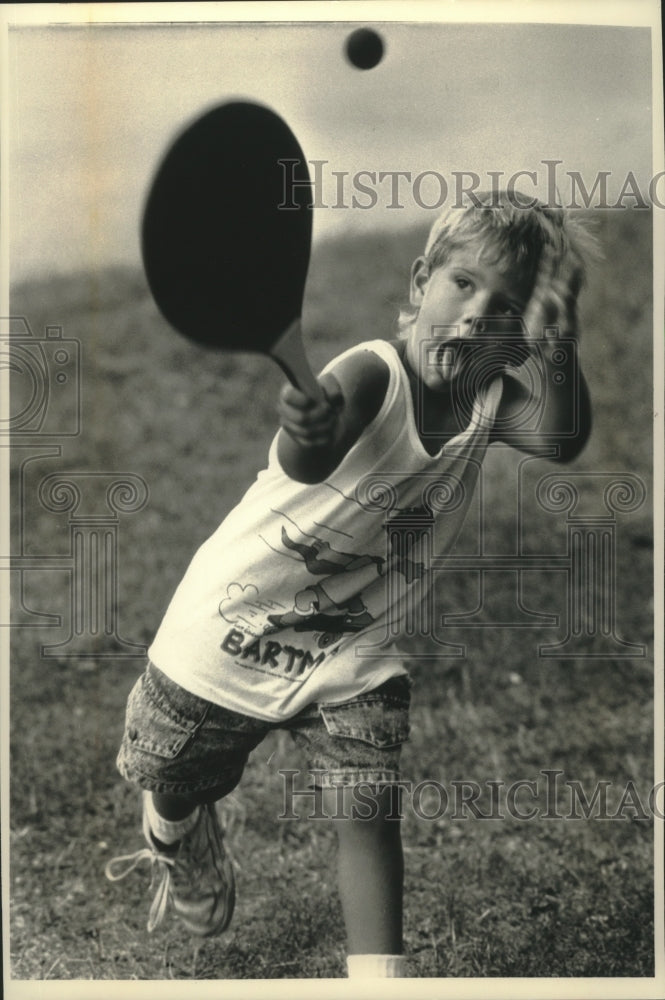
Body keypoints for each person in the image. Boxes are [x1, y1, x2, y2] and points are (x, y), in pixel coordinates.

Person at [105, 191, 594, 978]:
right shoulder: (370, 373)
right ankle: (175, 831)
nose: (475, 318)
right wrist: (307, 428)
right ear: (419, 279)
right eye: (462, 285)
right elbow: (309, 454)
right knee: (171, 772)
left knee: (366, 806)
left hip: (351, 649)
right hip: (231, 626)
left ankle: (380, 979)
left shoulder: (491, 400)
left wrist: (562, 343)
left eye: (506, 309)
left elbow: (563, 438)